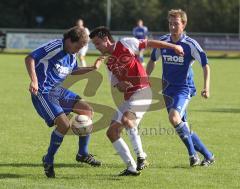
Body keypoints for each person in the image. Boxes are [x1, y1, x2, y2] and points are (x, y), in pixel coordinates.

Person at [89, 26, 184, 176]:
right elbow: (116, 85)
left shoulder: (126, 43)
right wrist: (121, 85)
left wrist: (174, 46)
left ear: (106, 39)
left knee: (127, 120)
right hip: (129, 98)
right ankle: (131, 167)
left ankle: (142, 157)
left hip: (143, 92)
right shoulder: (109, 63)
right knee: (112, 132)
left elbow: (150, 43)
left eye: (97, 43)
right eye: (94, 44)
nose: (96, 47)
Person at [25, 26, 103, 178]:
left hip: (57, 90)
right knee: (64, 125)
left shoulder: (71, 54)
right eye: (77, 46)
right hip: (43, 91)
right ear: (69, 40)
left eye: (81, 48)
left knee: (87, 111)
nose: (78, 50)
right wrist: (34, 81)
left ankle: (82, 153)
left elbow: (73, 71)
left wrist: (92, 68)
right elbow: (30, 58)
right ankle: (48, 159)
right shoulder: (56, 46)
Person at [146, 9, 215, 167]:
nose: (172, 27)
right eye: (170, 23)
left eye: (176, 24)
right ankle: (208, 156)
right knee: (181, 124)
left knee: (174, 118)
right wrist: (144, 80)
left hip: (184, 89)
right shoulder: (163, 41)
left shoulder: (190, 44)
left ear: (183, 24)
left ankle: (193, 156)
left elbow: (205, 65)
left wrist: (207, 87)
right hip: (167, 90)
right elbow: (152, 60)